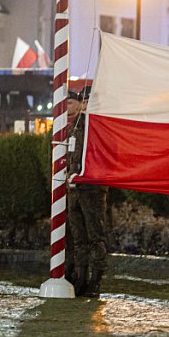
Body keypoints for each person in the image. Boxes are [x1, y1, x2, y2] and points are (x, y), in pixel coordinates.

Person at [66, 86, 109, 297]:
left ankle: (96, 281)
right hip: (74, 190)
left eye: (89, 100)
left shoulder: (101, 127)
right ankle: (80, 277)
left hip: (92, 189)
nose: (85, 104)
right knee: (78, 237)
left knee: (95, 236)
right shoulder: (75, 125)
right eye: (84, 100)